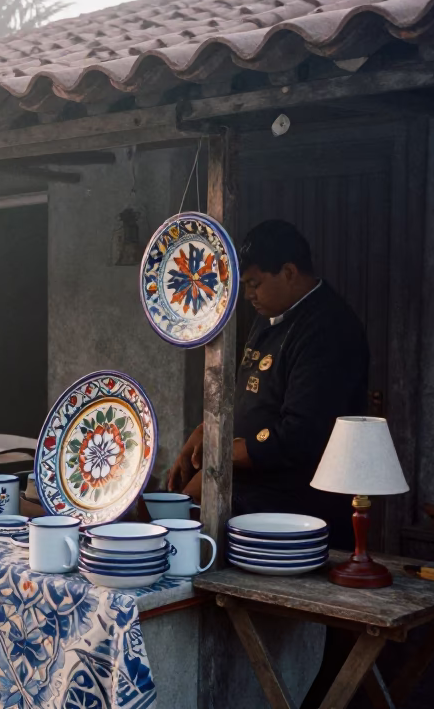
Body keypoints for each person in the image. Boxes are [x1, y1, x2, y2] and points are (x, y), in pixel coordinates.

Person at [166, 220, 370, 709]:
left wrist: (213, 467)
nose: (249, 296)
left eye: (255, 283)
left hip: (295, 502)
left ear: (290, 271)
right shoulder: (270, 314)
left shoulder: (328, 329)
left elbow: (298, 438)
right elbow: (243, 401)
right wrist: (203, 433)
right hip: (252, 484)